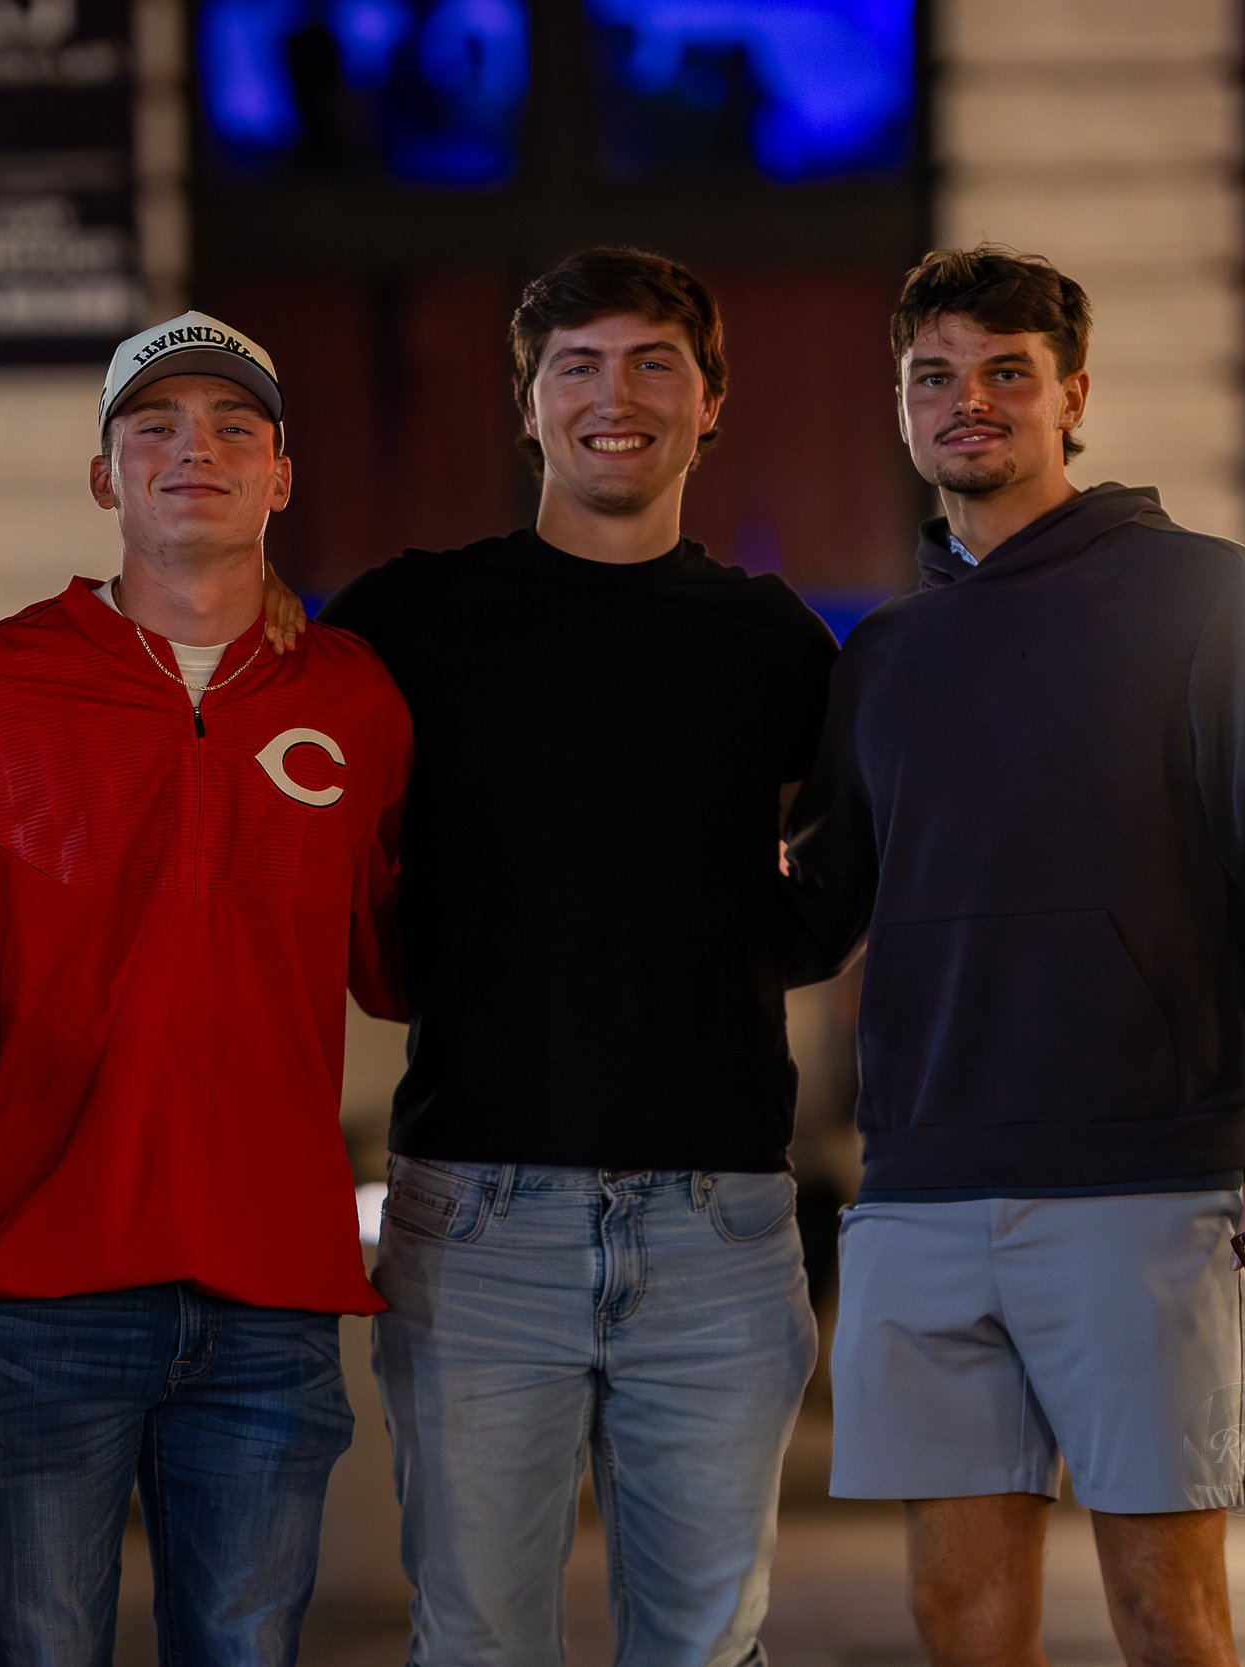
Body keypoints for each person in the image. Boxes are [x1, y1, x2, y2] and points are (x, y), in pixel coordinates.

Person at [782, 247, 1245, 1667]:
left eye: (1006, 373)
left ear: (1074, 397)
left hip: (1144, 1183)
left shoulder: (1202, 597)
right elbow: (814, 920)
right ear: (905, 405)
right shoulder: (888, 657)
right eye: (936, 376)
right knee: (956, 1615)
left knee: (1168, 1613)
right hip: (921, 1187)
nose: (966, 401)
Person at [320, 248, 838, 1664]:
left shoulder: (775, 643)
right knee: (478, 1637)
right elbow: (250, 762)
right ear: (528, 405)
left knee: (707, 1644)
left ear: (711, 401)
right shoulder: (407, 620)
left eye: (655, 361)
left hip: (719, 1225)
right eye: (579, 365)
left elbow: (862, 849)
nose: (618, 395)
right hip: (480, 1219)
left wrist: (753, 942)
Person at [0, 311, 411, 1663]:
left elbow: (403, 960)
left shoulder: (355, 700)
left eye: (236, 427)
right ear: (103, 477)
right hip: (43, 1283)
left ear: (282, 478)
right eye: (156, 428)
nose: (198, 451)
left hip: (272, 1290)